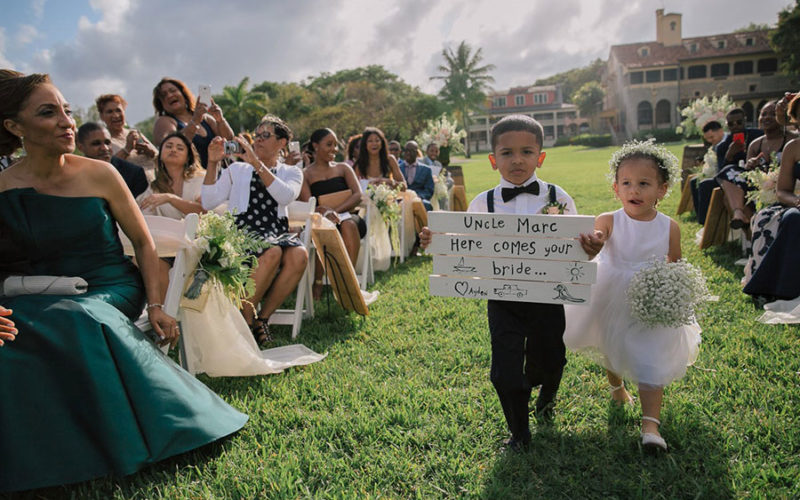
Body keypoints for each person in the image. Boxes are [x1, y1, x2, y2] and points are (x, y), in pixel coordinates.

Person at [0, 70, 247, 492]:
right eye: (48, 113)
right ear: (14, 127)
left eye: (65, 109)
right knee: (9, 336)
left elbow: (144, 245)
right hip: (29, 292)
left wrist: (155, 304)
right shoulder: (3, 187)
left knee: (76, 318)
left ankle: (137, 438)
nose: (66, 121)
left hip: (108, 285)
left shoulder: (101, 174)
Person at [419, 115, 602, 452]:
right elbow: (462, 242)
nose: (517, 160)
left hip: (548, 296)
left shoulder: (558, 197)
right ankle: (519, 434)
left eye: (526, 152)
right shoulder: (482, 203)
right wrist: (437, 240)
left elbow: (577, 249)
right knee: (504, 370)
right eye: (507, 153)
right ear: (493, 160)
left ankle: (546, 390)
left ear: (540, 157)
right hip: (502, 298)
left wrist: (591, 247)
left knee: (549, 359)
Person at [564, 139, 702, 452]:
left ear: (662, 189)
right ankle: (616, 386)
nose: (634, 191)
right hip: (611, 292)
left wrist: (674, 293)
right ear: (616, 189)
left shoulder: (670, 227)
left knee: (651, 356)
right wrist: (595, 241)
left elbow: (675, 264)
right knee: (611, 343)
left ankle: (650, 426)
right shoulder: (610, 220)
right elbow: (599, 239)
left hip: (651, 299)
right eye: (626, 183)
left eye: (643, 184)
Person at [202, 115, 307, 345]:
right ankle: (246, 322)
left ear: (282, 143)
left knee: (300, 255)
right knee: (273, 252)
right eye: (257, 135)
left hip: (275, 230)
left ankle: (262, 318)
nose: (258, 140)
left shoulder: (292, 172)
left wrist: (257, 164)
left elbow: (286, 196)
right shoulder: (238, 169)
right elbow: (207, 201)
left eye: (265, 136)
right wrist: (212, 163)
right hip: (242, 230)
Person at [744, 93, 800, 302]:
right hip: (794, 202)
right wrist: (797, 201)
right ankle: (776, 289)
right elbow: (783, 190)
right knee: (791, 218)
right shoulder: (793, 148)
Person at [299, 128, 365, 299]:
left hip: (349, 216)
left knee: (348, 224)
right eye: (329, 144)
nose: (334, 149)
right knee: (326, 229)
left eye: (336, 145)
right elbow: (309, 204)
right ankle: (318, 282)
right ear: (315, 146)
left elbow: (358, 195)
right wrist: (325, 213)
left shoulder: (343, 168)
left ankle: (346, 283)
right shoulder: (306, 174)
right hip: (322, 220)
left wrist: (335, 210)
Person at [717, 102, 793, 229]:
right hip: (760, 188)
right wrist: (751, 164)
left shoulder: (792, 140)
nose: (767, 117)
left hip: (785, 188)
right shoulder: (755, 144)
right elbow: (747, 174)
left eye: (773, 114)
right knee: (730, 172)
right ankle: (742, 219)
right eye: (763, 114)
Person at [151, 77, 234, 168]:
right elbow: (170, 146)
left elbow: (229, 142)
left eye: (173, 91)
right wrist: (195, 121)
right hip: (194, 179)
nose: (169, 96)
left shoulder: (206, 118)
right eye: (163, 95)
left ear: (184, 94)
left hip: (222, 174)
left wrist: (220, 120)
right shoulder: (164, 121)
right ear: (161, 104)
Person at [76, 121, 148, 197]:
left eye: (107, 143)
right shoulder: (73, 175)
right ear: (81, 147)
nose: (104, 148)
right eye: (96, 143)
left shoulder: (133, 174)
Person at [95, 93, 158, 177]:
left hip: (154, 186)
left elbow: (162, 160)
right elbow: (106, 168)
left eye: (118, 110)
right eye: (110, 112)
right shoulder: (103, 141)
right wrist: (127, 149)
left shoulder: (135, 134)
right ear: (102, 116)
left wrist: (151, 152)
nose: (116, 115)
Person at [399, 140, 434, 211]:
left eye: (411, 150)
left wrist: (418, 197)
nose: (408, 153)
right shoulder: (398, 169)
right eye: (406, 150)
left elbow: (429, 190)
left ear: (416, 152)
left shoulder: (426, 170)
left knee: (426, 205)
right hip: (401, 198)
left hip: (418, 199)